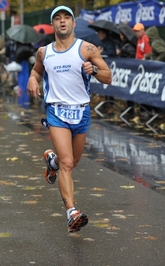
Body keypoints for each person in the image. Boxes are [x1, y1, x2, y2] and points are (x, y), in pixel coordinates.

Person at [27, 5, 112, 233]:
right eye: (57, 18)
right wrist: (33, 80)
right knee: (68, 164)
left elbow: (108, 77)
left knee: (72, 162)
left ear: (74, 24)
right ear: (53, 24)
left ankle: (51, 162)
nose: (62, 21)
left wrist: (93, 69)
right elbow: (36, 71)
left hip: (81, 111)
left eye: (67, 18)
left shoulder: (87, 49)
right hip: (56, 111)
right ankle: (71, 213)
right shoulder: (44, 52)